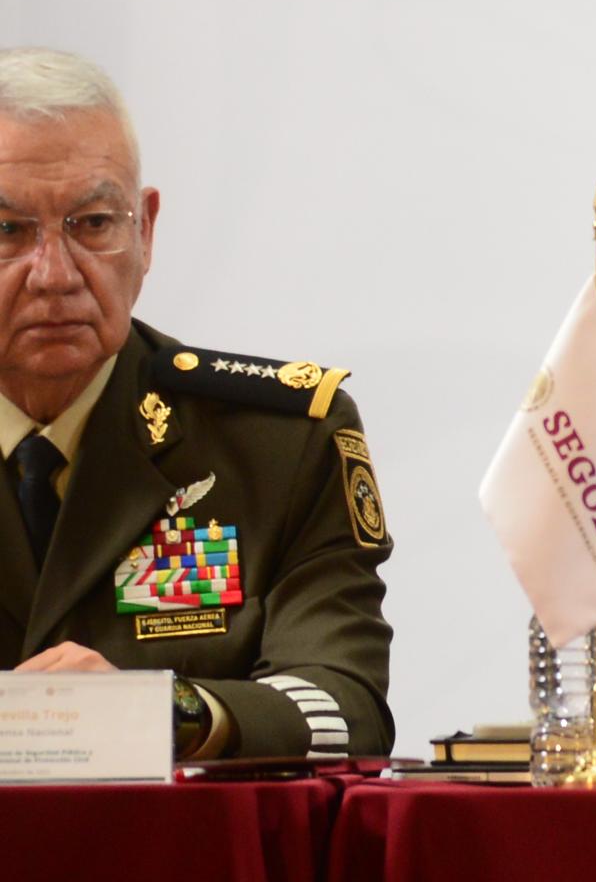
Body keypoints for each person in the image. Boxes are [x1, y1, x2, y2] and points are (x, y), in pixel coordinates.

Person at [0, 47, 395, 759]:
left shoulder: (278, 444)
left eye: (93, 223)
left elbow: (346, 705)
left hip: (175, 833)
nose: (54, 275)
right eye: (8, 231)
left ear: (145, 231)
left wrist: (165, 712)